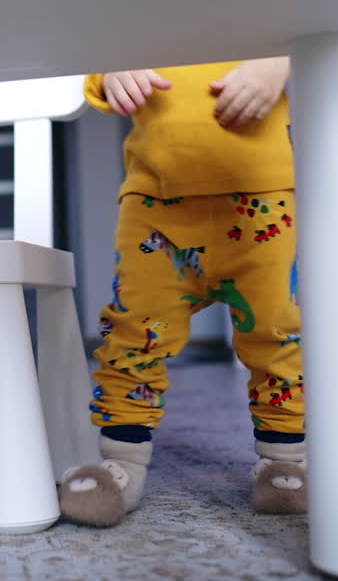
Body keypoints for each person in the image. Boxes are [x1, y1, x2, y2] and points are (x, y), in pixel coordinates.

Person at [58, 59, 307, 527]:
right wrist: (110, 74)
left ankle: (285, 459)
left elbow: (311, 33)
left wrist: (277, 63)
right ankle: (122, 461)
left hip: (263, 198)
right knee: (133, 332)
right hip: (157, 203)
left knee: (276, 332)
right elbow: (96, 50)